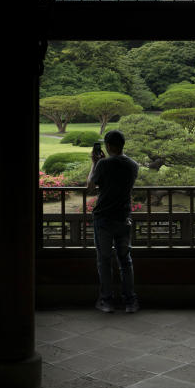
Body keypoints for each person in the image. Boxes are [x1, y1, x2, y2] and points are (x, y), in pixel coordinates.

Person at [86, 129, 139, 313]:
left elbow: (91, 187)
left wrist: (94, 163)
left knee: (104, 260)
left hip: (104, 218)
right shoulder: (133, 165)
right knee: (126, 260)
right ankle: (130, 301)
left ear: (108, 146)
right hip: (124, 217)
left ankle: (107, 301)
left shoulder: (103, 164)